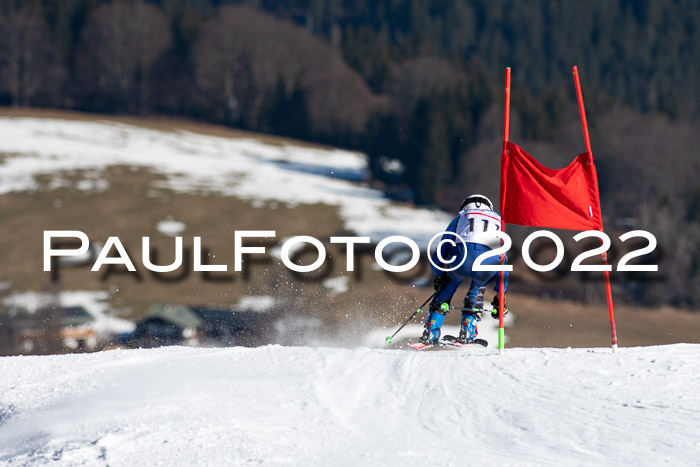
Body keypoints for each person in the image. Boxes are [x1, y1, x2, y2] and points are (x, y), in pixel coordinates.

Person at [421, 194, 509, 345]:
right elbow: (503, 261)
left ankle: (431, 330)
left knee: (449, 285)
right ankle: (467, 330)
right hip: (487, 262)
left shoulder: (461, 218)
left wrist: (440, 276)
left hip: (462, 257)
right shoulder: (498, 222)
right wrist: (501, 297)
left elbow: (440, 253)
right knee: (478, 288)